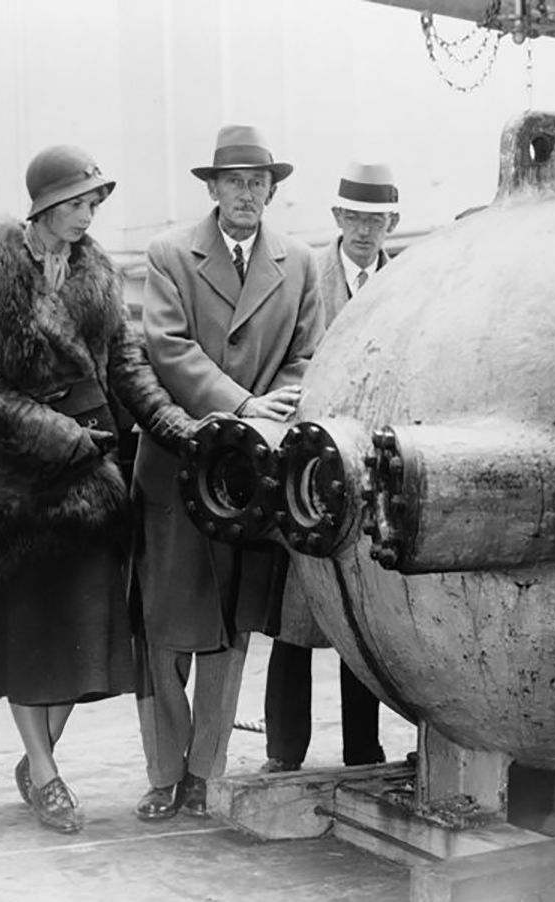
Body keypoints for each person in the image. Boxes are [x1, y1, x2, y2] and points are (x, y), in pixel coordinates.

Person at [0, 145, 195, 835]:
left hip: (89, 477)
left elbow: (126, 367)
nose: (90, 214)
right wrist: (55, 432)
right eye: (80, 202)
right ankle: (48, 776)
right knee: (27, 630)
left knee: (84, 634)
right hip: (16, 480)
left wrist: (178, 427)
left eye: (94, 202)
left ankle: (37, 760)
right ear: (46, 206)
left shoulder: (98, 274)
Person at [132, 125, 323, 819]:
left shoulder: (300, 261)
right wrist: (242, 404)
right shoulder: (169, 254)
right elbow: (168, 348)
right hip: (180, 468)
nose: (249, 194)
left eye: (260, 181)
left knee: (231, 628)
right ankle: (163, 770)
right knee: (162, 629)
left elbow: (308, 355)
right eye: (235, 181)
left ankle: (203, 771)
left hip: (250, 480)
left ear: (273, 187)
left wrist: (272, 414)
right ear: (212, 188)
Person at [261, 162, 401, 773]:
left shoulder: (408, 283)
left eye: (377, 218)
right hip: (310, 470)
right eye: (355, 217)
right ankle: (283, 753)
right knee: (296, 621)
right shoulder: (302, 276)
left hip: (373, 473)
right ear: (337, 218)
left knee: (362, 620)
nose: (366, 230)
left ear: (390, 221)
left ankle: (362, 753)